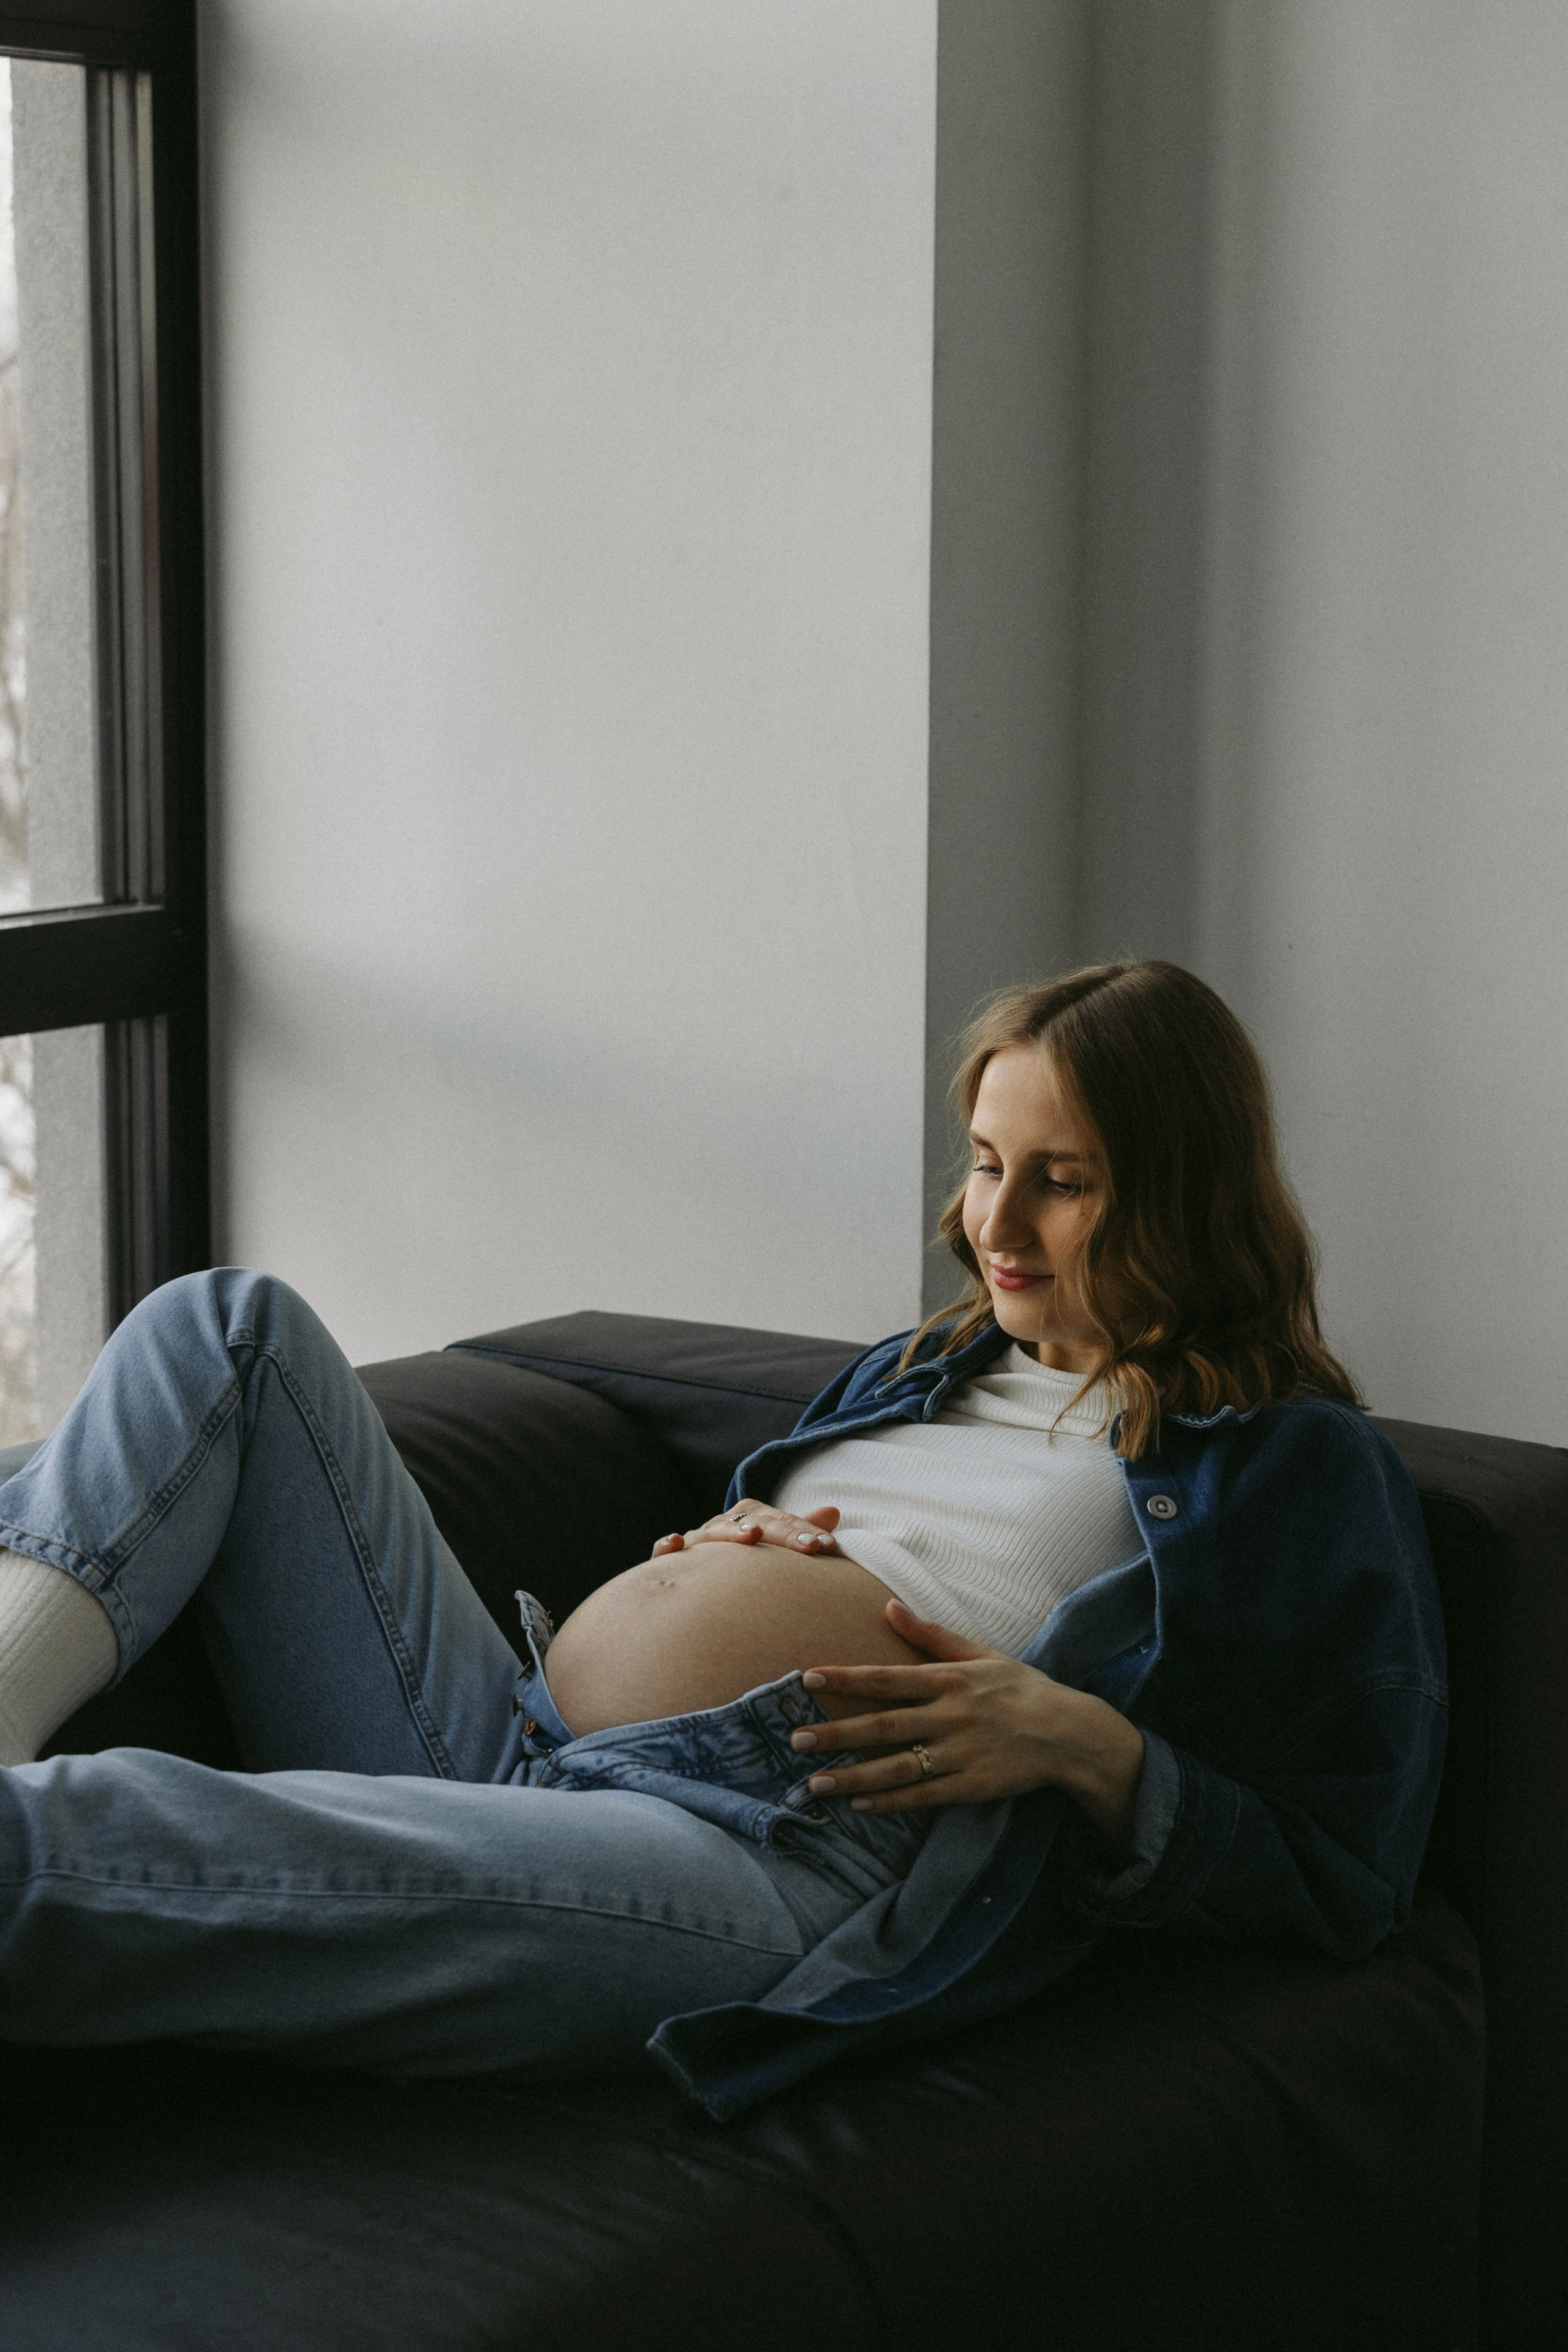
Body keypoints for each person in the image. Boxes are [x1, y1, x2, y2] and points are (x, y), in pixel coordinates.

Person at [0, 961, 1446, 2117]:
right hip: (524, 1744)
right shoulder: (918, 1365)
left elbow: (1340, 1869)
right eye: (985, 1160)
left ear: (1180, 1193)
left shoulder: (1288, 1463)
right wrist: (712, 1556)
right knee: (226, 1327)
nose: (990, 1220)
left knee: (75, 1838)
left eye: (1060, 1181)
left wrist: (1082, 1743)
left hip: (772, 1863)